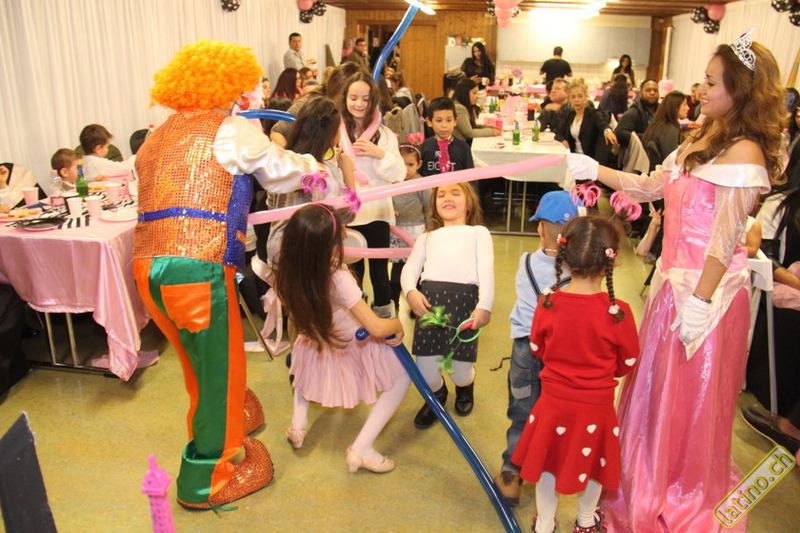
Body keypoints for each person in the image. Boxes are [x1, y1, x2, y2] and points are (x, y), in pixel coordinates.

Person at [566, 33, 785, 531]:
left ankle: (682, 489)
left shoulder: (745, 151)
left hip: (708, 298)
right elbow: (651, 187)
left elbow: (724, 239)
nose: (700, 89)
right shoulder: (705, 135)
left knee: (689, 402)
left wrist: (701, 303)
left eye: (711, 82)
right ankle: (646, 481)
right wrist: (597, 170)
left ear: (739, 89)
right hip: (673, 289)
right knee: (654, 395)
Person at [132, 39, 318, 511]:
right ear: (228, 86)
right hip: (196, 265)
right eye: (241, 88)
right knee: (217, 370)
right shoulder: (230, 130)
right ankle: (207, 479)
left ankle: (236, 418)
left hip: (148, 267)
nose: (243, 96)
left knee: (199, 363)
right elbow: (282, 172)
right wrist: (318, 167)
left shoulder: (157, 135)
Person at [511, 215, 639, 533]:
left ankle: (544, 523)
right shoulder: (618, 312)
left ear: (565, 256)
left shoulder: (548, 303)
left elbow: (538, 347)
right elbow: (628, 362)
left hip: (553, 403)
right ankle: (585, 520)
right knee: (595, 464)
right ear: (613, 259)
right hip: (596, 407)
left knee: (547, 462)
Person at [275, 204, 411, 472]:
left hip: (312, 338)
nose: (347, 233)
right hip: (347, 341)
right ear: (328, 245)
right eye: (341, 231)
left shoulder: (290, 266)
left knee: (303, 373)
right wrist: (396, 324)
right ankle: (363, 448)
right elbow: (376, 327)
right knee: (402, 377)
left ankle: (298, 425)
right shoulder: (337, 277)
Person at [494, 190, 578, 507]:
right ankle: (550, 471)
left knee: (522, 414)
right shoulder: (580, 271)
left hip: (526, 347)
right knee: (556, 413)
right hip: (562, 352)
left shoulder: (526, 261)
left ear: (540, 228)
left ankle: (512, 475)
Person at [401, 182, 494, 428]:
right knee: (426, 372)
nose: (447, 198)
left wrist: (485, 305)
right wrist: (411, 292)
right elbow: (409, 269)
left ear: (469, 202)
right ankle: (437, 396)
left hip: (464, 305)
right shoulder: (426, 237)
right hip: (430, 306)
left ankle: (466, 386)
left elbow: (486, 269)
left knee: (460, 372)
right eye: (441, 194)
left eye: (455, 193)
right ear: (434, 204)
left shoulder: (478, 233)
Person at [340, 72, 406, 318]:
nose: (359, 104)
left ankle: (384, 320)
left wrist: (380, 154)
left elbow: (399, 174)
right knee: (351, 275)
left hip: (377, 212)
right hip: (347, 213)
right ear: (344, 98)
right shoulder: (335, 132)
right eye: (353, 98)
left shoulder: (384, 134)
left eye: (365, 99)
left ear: (373, 101)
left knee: (379, 273)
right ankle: (356, 319)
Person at [265, 96, 355, 268]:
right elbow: (348, 213)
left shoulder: (283, 164)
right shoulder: (326, 171)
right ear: (332, 135)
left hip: (278, 248)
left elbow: (271, 203)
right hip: (311, 251)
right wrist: (347, 171)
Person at [743, 186, 800, 456]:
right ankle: (792, 425)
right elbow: (767, 258)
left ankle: (792, 426)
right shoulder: (782, 205)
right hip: (788, 283)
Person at [270, 62, 363, 147]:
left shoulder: (359, 111)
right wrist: (294, 158)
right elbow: (277, 132)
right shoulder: (310, 103)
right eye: (353, 97)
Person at [389, 143, 430, 310]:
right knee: (397, 269)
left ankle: (418, 304)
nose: (405, 169)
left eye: (410, 164)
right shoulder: (392, 182)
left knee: (417, 268)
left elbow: (429, 208)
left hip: (417, 230)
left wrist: (430, 231)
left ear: (419, 164)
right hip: (397, 231)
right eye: (402, 164)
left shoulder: (422, 183)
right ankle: (393, 302)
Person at [555, 79, 618, 165]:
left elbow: (602, 124)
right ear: (569, 99)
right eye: (573, 97)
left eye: (580, 96)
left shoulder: (593, 113)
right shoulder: (570, 115)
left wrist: (608, 131)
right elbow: (558, 132)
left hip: (589, 160)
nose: (577, 100)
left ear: (585, 97)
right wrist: (563, 141)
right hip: (573, 158)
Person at [420, 97, 474, 176]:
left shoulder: (463, 148)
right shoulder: (424, 147)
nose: (444, 125)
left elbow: (471, 177)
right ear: (429, 122)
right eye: (439, 121)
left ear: (455, 121)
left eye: (448, 120)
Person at [78, 124, 137, 194]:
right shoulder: (98, 163)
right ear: (98, 148)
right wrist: (138, 155)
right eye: (107, 147)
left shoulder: (82, 160)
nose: (108, 149)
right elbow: (124, 168)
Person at [641, 91, 689, 170]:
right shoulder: (670, 129)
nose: (688, 108)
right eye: (684, 105)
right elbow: (671, 160)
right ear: (675, 107)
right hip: (662, 171)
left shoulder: (660, 123)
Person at [614, 78, 660, 149]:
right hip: (639, 151)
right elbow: (620, 133)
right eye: (648, 90)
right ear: (641, 93)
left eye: (655, 90)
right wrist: (647, 138)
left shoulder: (662, 111)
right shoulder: (634, 112)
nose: (652, 93)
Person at [452, 78, 500, 145]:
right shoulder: (459, 108)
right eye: (474, 93)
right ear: (464, 93)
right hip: (459, 146)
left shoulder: (463, 105)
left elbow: (470, 126)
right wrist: (491, 132)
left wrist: (485, 127)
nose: (477, 96)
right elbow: (469, 133)